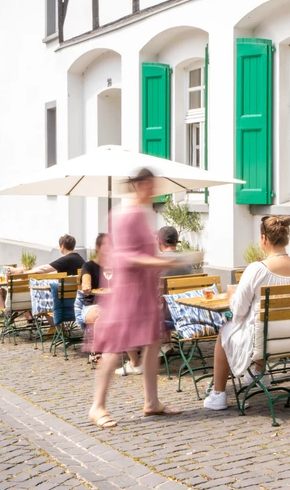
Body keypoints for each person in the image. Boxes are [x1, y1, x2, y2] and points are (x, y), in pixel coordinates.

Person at [87, 168, 196, 427]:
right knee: (114, 346)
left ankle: (151, 402)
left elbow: (143, 253)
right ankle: (97, 407)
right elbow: (126, 256)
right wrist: (164, 262)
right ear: (140, 185)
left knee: (153, 342)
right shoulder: (123, 216)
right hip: (127, 293)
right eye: (151, 185)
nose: (154, 190)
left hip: (145, 292)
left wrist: (164, 262)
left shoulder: (144, 216)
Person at [202, 216, 290, 411]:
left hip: (265, 340)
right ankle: (259, 373)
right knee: (261, 325)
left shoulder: (257, 269)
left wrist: (231, 295)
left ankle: (218, 394)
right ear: (287, 239)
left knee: (225, 333)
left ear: (263, 239)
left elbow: (238, 312)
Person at [118, 225, 196, 376]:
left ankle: (135, 362)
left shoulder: (156, 262)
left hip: (163, 316)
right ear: (176, 241)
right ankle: (165, 345)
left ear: (159, 241)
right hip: (185, 313)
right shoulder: (186, 261)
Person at [79, 234, 108, 367]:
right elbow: (86, 279)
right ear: (98, 248)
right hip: (92, 305)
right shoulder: (89, 266)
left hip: (111, 305)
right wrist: (86, 286)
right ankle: (97, 351)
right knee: (101, 313)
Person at [17, 235, 85, 276]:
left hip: (65, 296)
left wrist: (25, 272)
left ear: (62, 246)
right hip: (78, 293)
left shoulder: (66, 260)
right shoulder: (81, 259)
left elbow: (43, 269)